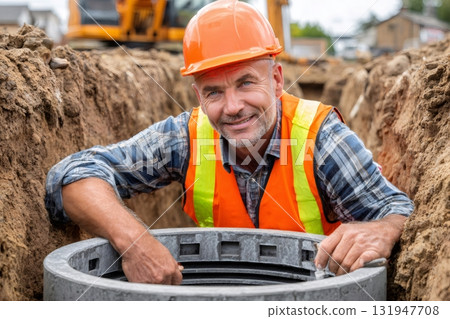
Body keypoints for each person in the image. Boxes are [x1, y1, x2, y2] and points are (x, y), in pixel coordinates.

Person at [45, 0, 413, 285]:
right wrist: (135, 241)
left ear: (277, 79)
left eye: (246, 83)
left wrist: (382, 229)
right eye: (214, 92)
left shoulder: (323, 139)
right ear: (198, 95)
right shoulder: (185, 137)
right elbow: (71, 176)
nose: (233, 107)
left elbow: (396, 210)